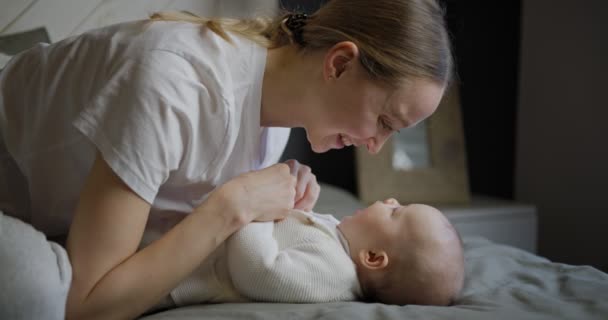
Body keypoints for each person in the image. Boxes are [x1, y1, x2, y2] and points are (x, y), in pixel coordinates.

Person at [0, 0, 453, 318]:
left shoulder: (272, 128)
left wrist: (272, 208)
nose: (375, 145)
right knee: (34, 295)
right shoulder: (172, 84)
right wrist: (232, 206)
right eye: (385, 121)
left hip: (46, 210)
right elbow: (86, 307)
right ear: (338, 65)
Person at [157, 198, 464, 308]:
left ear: (372, 257)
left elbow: (259, 271)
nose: (391, 199)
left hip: (175, 277)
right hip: (188, 238)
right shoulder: (336, 239)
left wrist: (254, 209)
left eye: (396, 212)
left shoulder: (333, 275)